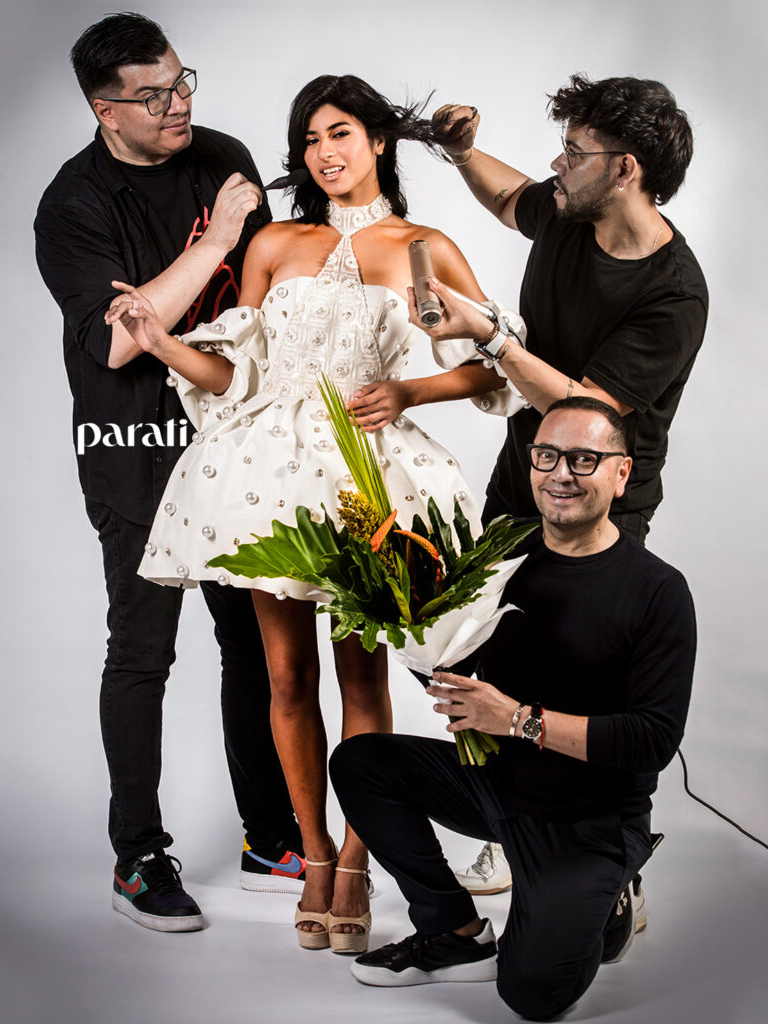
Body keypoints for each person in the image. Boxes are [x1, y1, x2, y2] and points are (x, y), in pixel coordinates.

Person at [105, 74, 519, 953]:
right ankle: (317, 855)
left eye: (340, 133)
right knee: (285, 678)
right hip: (269, 478)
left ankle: (362, 863)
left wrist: (408, 390)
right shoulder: (274, 242)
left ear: (377, 140)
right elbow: (237, 378)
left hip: (368, 477)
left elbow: (493, 363)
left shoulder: (423, 246)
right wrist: (160, 341)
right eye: (308, 138)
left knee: (362, 679)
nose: (323, 153)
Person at [34, 13, 303, 933]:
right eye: (151, 96)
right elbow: (119, 343)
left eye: (182, 81)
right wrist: (216, 240)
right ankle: (138, 857)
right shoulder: (73, 205)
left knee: (251, 642)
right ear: (103, 110)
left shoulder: (218, 155)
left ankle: (270, 837)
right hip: (133, 449)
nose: (177, 104)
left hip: (232, 438)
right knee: (143, 651)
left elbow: (265, 303)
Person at [418, 73, 708, 894]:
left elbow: (584, 418)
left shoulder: (672, 294)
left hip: (602, 501)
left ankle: (613, 861)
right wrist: (463, 154)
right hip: (522, 480)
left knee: (579, 674)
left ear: (624, 169)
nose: (556, 164)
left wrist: (489, 337)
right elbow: (508, 197)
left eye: (574, 152)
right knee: (478, 643)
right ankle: (510, 823)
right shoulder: (567, 210)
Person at [330, 397, 696, 1019]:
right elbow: (455, 668)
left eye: (583, 459)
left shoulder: (657, 590)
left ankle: (611, 891)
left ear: (622, 473)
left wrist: (518, 720)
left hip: (590, 819)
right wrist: (407, 618)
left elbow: (652, 740)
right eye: (546, 456)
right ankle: (453, 932)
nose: (560, 474)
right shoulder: (502, 557)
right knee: (361, 762)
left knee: (533, 996)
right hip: (495, 786)